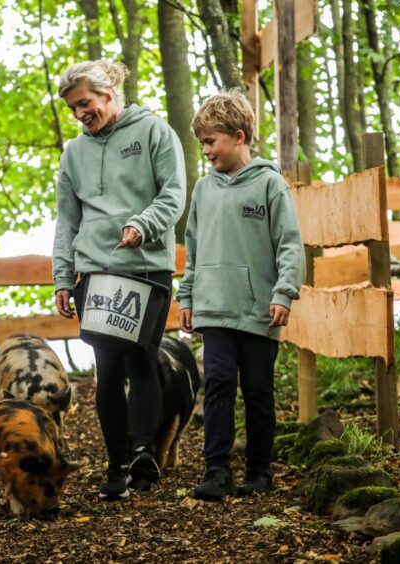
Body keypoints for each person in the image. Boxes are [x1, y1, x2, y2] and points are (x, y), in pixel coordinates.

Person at [52, 60, 185, 500]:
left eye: (85, 103)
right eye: (73, 108)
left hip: (147, 266)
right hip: (96, 270)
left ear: (109, 93)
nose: (79, 114)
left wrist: (143, 223)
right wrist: (62, 278)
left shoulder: (155, 133)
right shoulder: (74, 154)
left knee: (142, 358)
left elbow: (173, 193)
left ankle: (144, 453)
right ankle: (117, 465)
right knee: (107, 368)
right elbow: (66, 221)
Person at [177, 89, 304, 501]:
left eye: (211, 142)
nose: (206, 151)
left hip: (257, 311)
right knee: (215, 385)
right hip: (213, 308)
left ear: (238, 136)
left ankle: (259, 470)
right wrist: (188, 296)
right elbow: (193, 249)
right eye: (202, 145)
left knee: (257, 390)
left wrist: (284, 293)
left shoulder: (271, 184)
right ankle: (216, 470)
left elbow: (289, 244)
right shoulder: (203, 190)